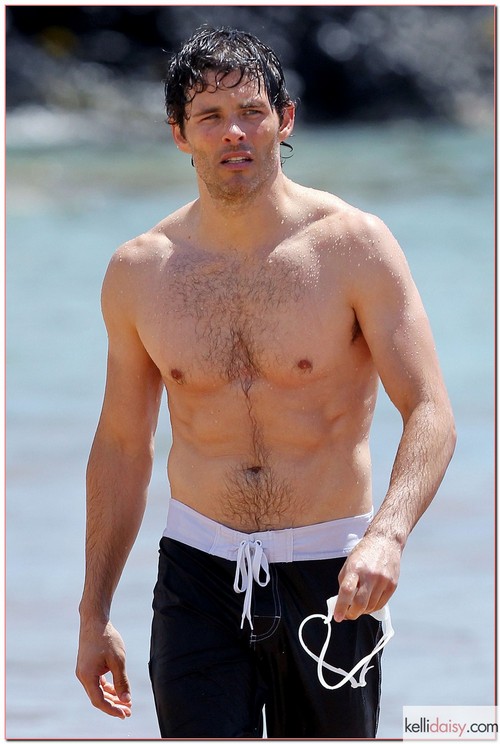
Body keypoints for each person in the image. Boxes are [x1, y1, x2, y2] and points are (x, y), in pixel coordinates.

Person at [76, 26, 456, 738]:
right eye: (210, 118)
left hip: (332, 576)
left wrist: (388, 537)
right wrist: (93, 615)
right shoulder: (140, 271)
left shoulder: (352, 246)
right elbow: (123, 447)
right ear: (179, 136)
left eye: (250, 111)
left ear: (285, 119)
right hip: (197, 574)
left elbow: (431, 410)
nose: (234, 133)